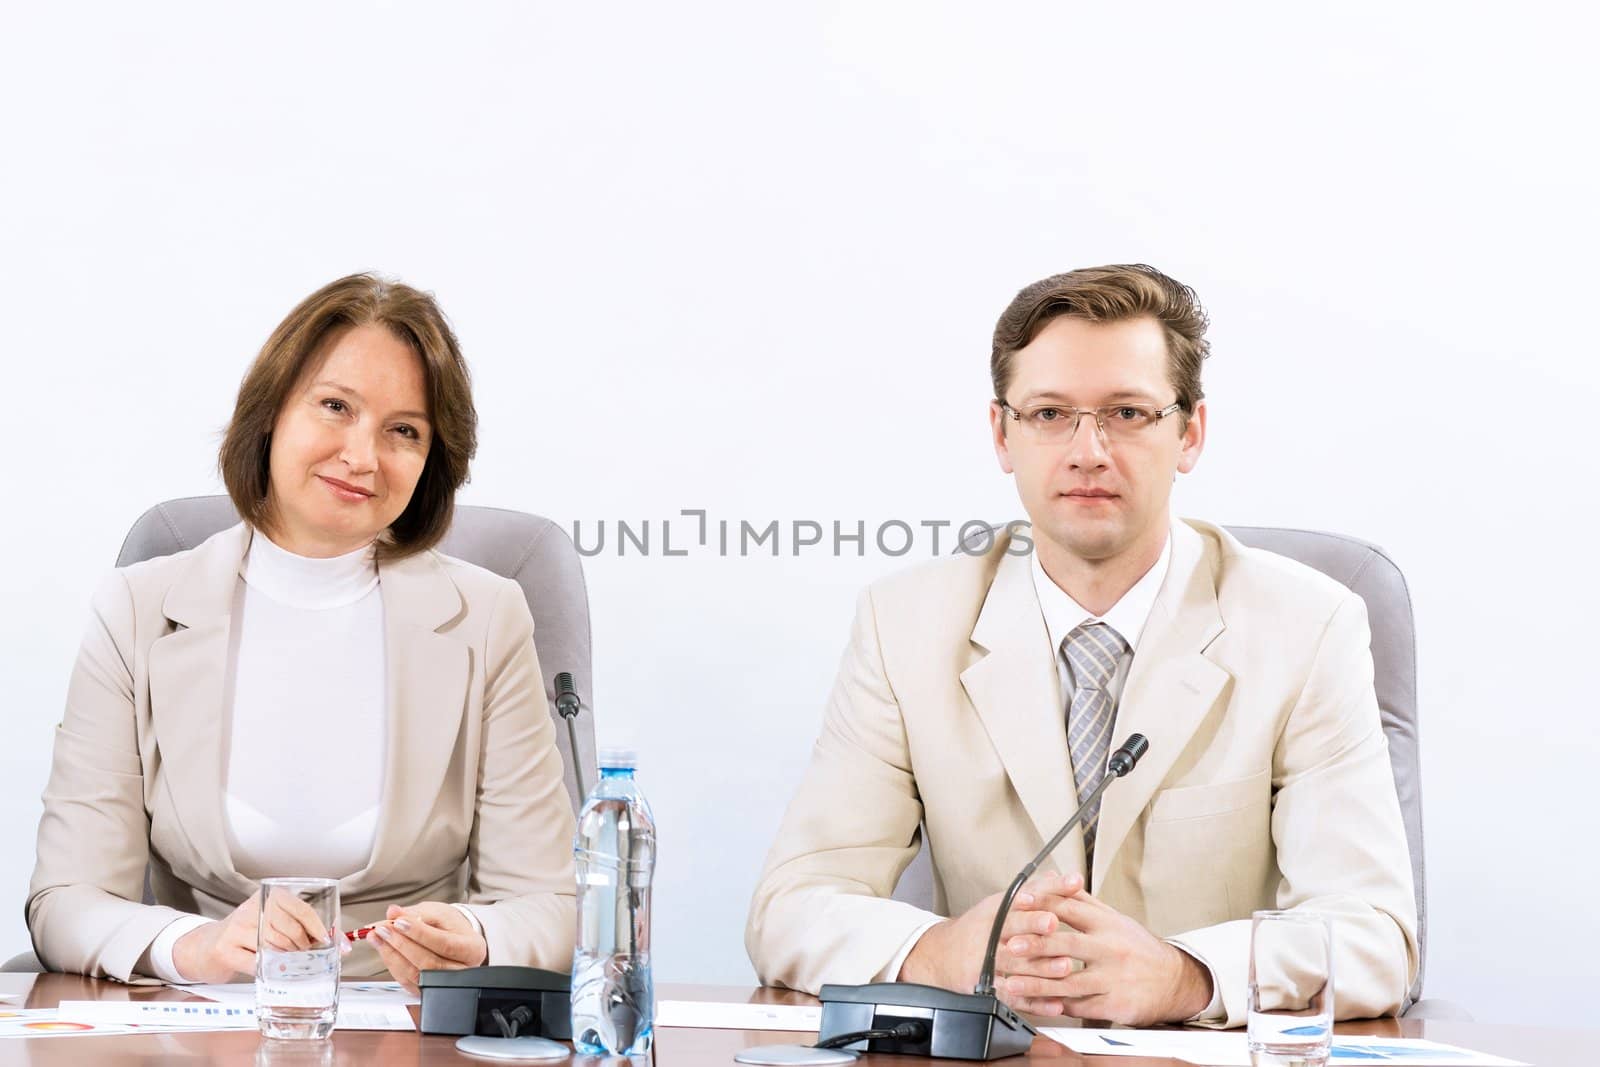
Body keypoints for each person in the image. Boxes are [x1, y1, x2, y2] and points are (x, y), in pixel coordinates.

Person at [745, 264, 1418, 1027]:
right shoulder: (905, 625)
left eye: (1128, 412)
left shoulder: (1306, 624)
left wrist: (1186, 974)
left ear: (1189, 432)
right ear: (1002, 434)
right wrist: (942, 952)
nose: (1088, 449)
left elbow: (1375, 936)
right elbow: (790, 907)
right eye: (1050, 414)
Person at [27, 273, 576, 992]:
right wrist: (193, 945)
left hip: (404, 1022)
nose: (362, 455)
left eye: (403, 430)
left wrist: (477, 937)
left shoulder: (487, 616)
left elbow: (549, 903)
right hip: (201, 1018)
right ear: (271, 414)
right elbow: (65, 899)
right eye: (335, 407)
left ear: (432, 460)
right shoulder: (137, 609)